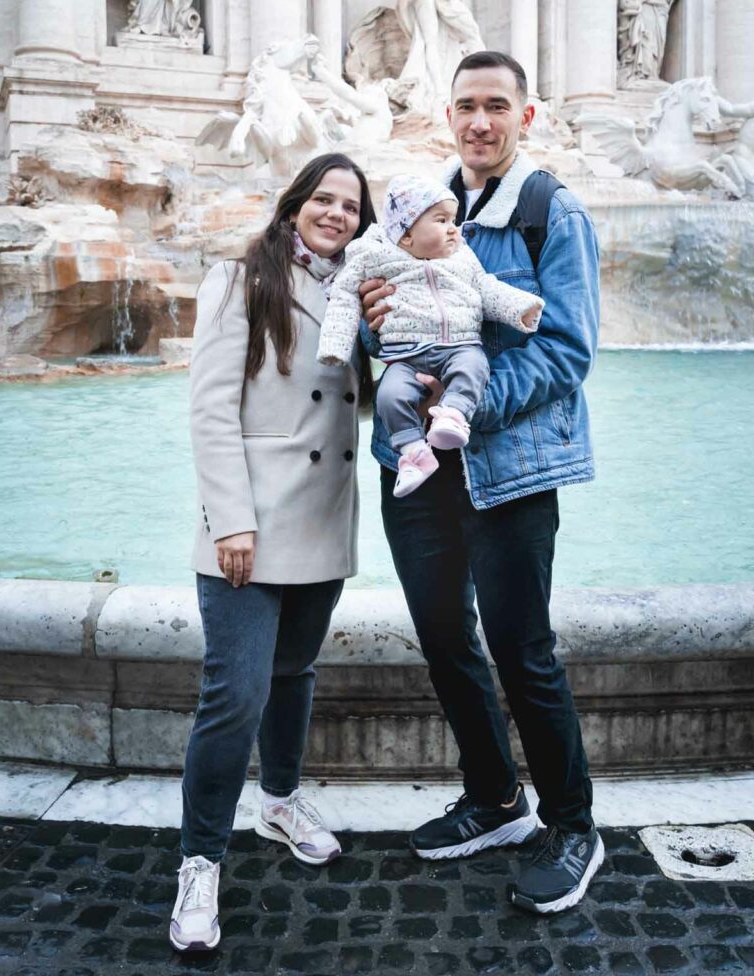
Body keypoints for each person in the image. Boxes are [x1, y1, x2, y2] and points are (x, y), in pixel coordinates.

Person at [361, 51, 603, 915]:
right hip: (418, 468)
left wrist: (467, 404)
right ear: (447, 114)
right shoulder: (414, 210)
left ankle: (572, 823)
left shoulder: (550, 212)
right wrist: (374, 328)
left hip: (510, 467)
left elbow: (569, 348)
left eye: (496, 106)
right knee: (443, 635)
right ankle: (496, 798)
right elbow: (380, 331)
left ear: (524, 116)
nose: (479, 122)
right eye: (466, 105)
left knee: (519, 645)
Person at [170, 154, 376, 953]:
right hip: (250, 524)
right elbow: (211, 409)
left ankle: (281, 800)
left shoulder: (355, 288)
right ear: (295, 203)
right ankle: (199, 860)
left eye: (351, 205)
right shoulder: (239, 277)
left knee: (293, 674)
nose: (335, 213)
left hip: (324, 519)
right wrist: (230, 521)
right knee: (235, 694)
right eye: (323, 198)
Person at [318, 173, 543, 497]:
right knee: (389, 396)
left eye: (453, 219)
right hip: (406, 356)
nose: (454, 228)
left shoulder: (461, 256)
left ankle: (452, 414)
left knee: (473, 367)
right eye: (442, 221)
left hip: (458, 345)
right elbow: (344, 295)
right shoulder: (372, 255)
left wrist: (520, 308)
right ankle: (413, 453)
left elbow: (485, 287)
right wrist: (336, 346)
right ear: (406, 235)